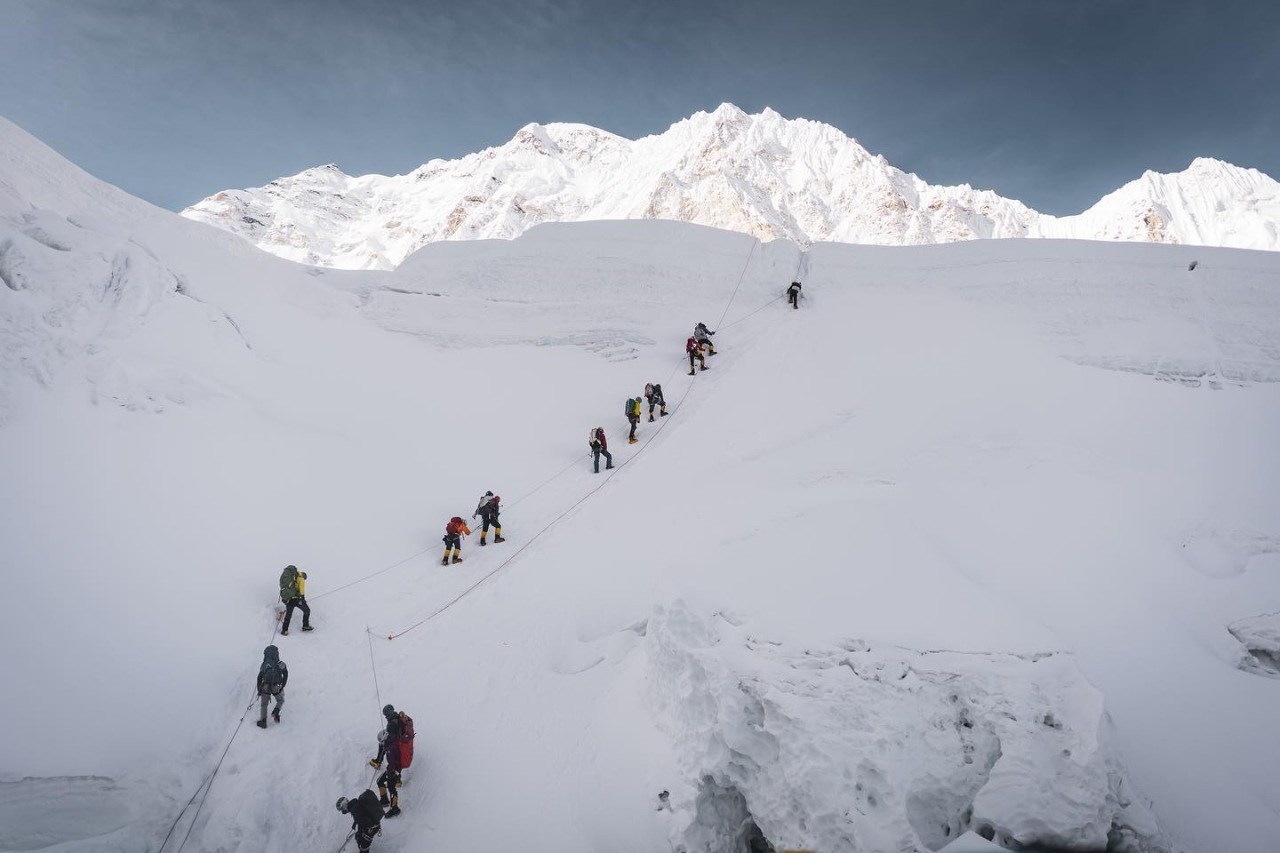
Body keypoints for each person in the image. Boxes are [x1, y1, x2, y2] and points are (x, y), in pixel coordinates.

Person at [369, 703, 415, 818]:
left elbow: (392, 761)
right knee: (380, 781)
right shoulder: (392, 740)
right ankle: (384, 800)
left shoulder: (390, 748)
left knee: (391, 787)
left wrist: (392, 773)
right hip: (395, 768)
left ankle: (394, 808)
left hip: (394, 769)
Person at [255, 645, 287, 729]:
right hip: (276, 686)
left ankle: (263, 721)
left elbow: (259, 677)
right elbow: (286, 673)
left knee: (264, 704)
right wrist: (282, 685)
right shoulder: (280, 663)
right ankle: (276, 711)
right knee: (280, 700)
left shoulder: (264, 664)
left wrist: (259, 690)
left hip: (265, 686)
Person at [278, 565, 312, 636]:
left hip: (289, 599)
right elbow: (302, 590)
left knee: (288, 615)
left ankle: (284, 630)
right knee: (307, 611)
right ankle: (305, 626)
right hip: (297, 599)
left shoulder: (294, 576)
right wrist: (303, 599)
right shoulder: (301, 579)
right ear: (304, 576)